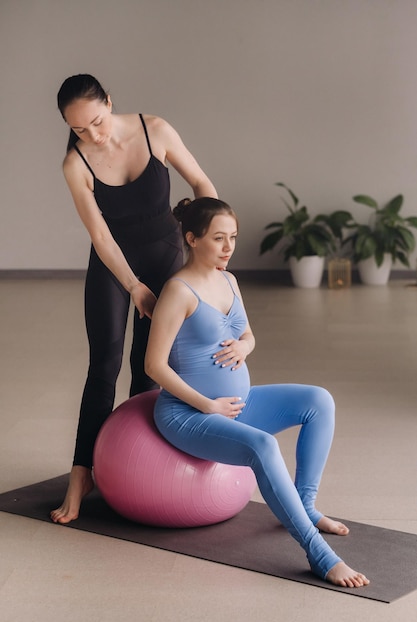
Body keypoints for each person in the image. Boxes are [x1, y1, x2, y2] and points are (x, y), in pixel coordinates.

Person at [144, 197, 370, 588]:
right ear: (192, 238)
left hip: (234, 406)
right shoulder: (178, 291)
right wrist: (206, 405)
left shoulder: (228, 280)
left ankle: (306, 505)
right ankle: (319, 554)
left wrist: (246, 346)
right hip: (188, 414)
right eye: (219, 238)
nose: (229, 247)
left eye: (232, 237)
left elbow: (246, 334)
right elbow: (154, 366)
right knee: (264, 446)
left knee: (319, 400)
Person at [50, 74, 217, 524]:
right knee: (102, 363)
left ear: (110, 101)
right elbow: (100, 235)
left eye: (98, 122)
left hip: (165, 259)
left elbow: (203, 184)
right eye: (79, 129)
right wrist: (133, 286)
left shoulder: (155, 130)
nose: (93, 135)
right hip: (113, 266)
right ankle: (82, 473)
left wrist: (205, 253)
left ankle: (139, 467)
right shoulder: (76, 164)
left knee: (149, 367)